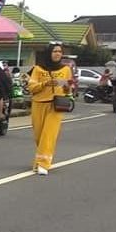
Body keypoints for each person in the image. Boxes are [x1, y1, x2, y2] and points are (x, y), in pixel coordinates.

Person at [28, 43, 73, 175]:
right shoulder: (38, 69)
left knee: (49, 134)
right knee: (39, 135)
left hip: (56, 105)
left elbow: (69, 87)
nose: (57, 54)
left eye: (59, 51)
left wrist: (66, 87)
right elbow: (31, 87)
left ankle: (43, 164)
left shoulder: (66, 69)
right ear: (49, 53)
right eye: (54, 51)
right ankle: (41, 159)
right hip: (39, 103)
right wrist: (45, 83)